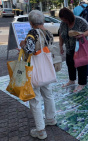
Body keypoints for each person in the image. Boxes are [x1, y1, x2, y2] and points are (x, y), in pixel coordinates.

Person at [19, 10, 57, 140]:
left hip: (35, 70)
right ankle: (51, 119)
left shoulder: (32, 33)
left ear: (31, 23)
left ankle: (40, 130)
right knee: (48, 94)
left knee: (35, 100)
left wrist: (22, 45)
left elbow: (29, 50)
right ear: (43, 21)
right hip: (46, 69)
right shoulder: (48, 32)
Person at [58, 7, 88, 92]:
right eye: (62, 19)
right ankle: (72, 80)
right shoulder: (63, 23)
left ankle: (82, 83)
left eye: (65, 19)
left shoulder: (79, 20)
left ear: (69, 17)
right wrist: (61, 46)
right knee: (70, 63)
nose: (64, 21)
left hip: (80, 47)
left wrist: (82, 34)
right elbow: (61, 35)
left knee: (81, 65)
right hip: (69, 47)